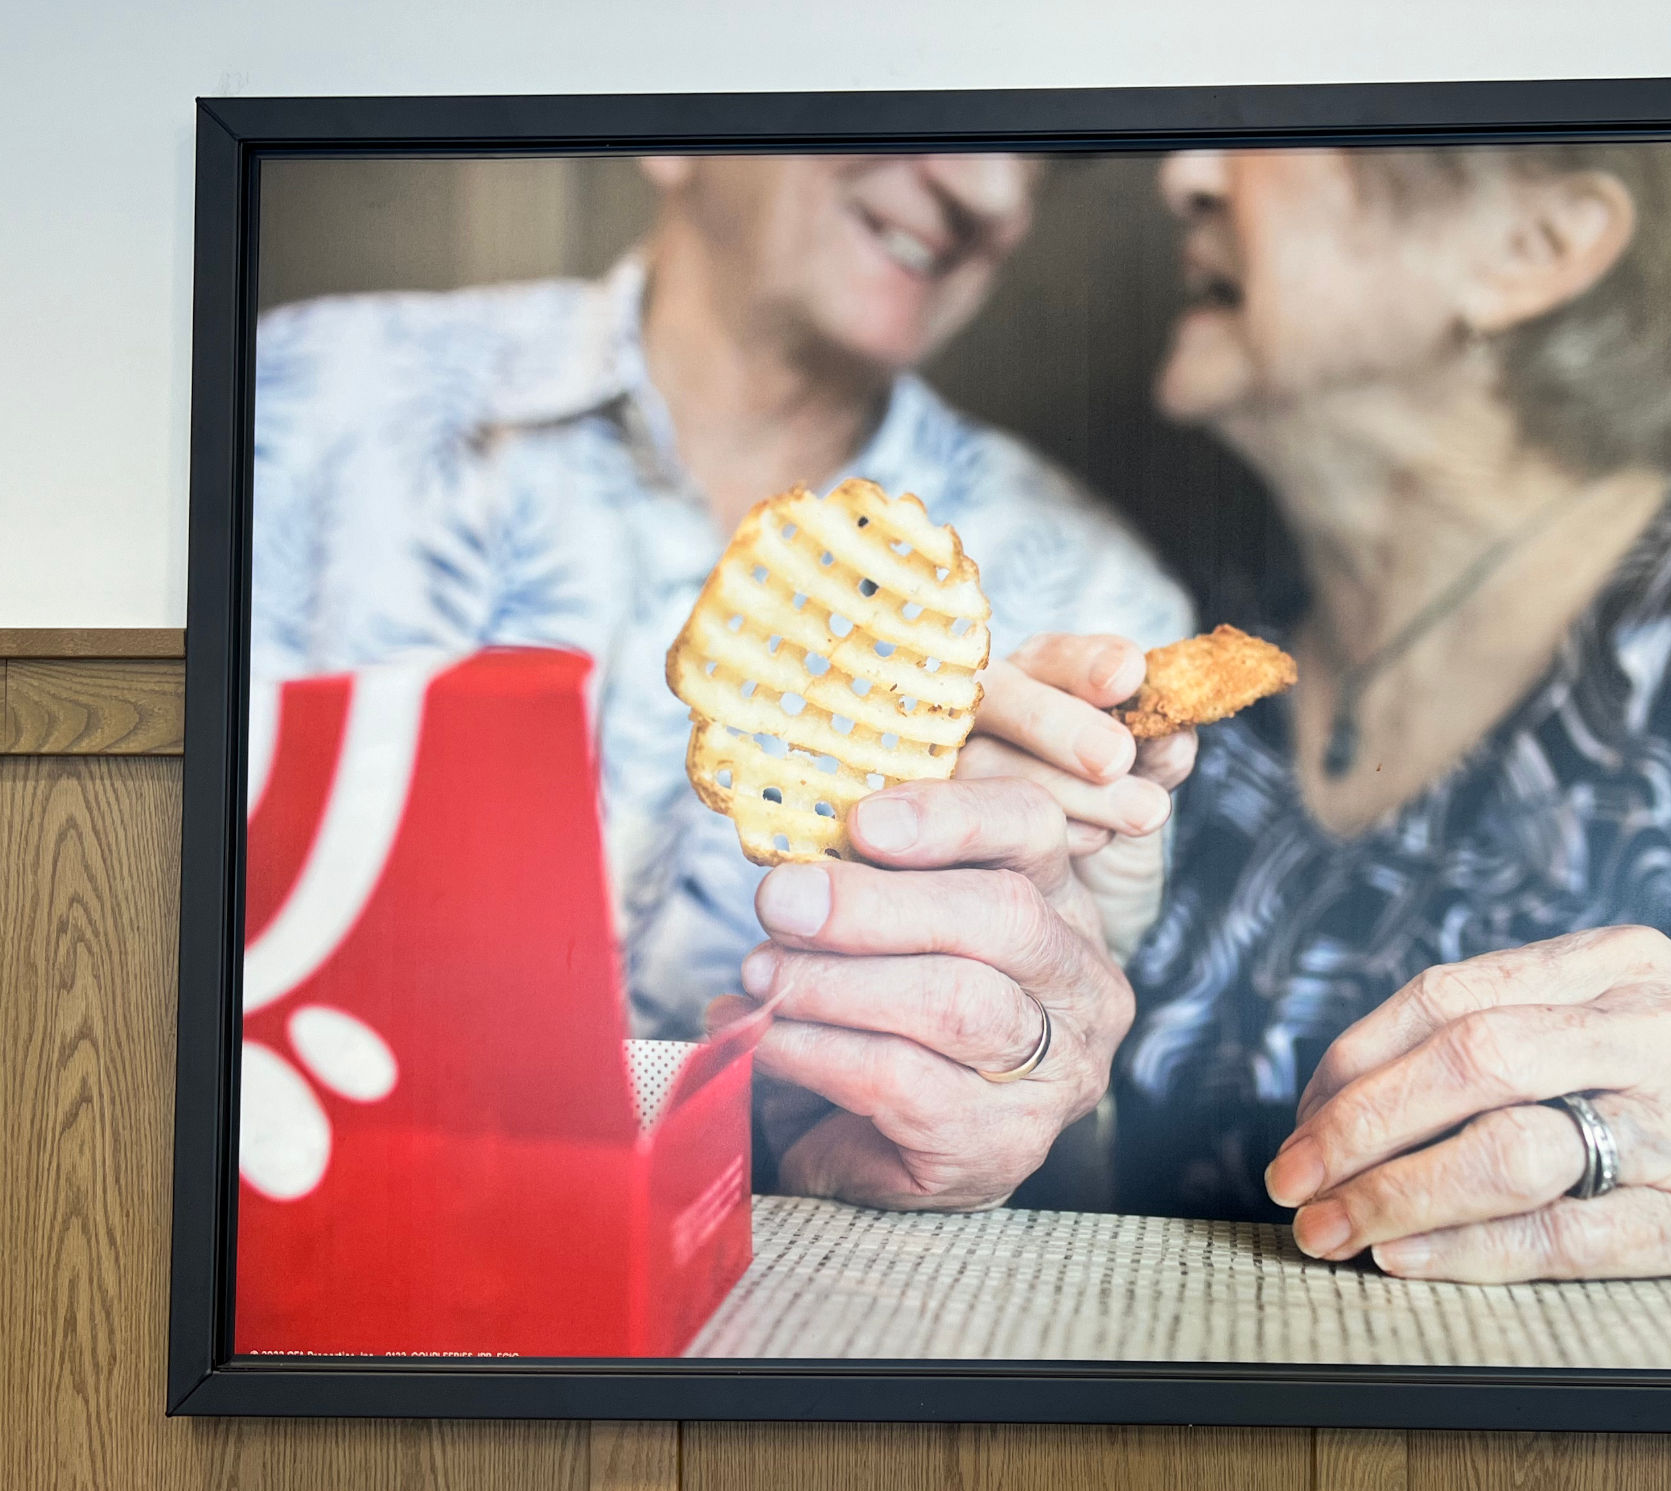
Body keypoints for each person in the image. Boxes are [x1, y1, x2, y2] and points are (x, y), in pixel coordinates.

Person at [735, 142, 1671, 1286]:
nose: (1185, 175)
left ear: (1534, 249)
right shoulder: (1189, 675)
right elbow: (1104, 1233)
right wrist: (1014, 1052)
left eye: (1296, 121)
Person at [249, 153, 1194, 1040]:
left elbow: (1063, 1114)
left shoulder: (1091, 602)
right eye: (918, 84)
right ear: (673, 131)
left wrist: (1034, 1023)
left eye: (1037, 153)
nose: (992, 191)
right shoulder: (295, 401)